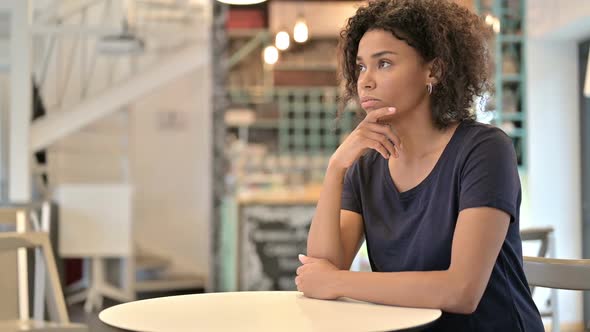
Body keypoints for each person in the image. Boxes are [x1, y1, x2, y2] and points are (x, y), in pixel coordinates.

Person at [295, 0, 544, 331]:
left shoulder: (484, 150)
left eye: (383, 63)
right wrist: (336, 167)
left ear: (434, 71)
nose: (365, 81)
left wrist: (338, 282)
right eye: (360, 67)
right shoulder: (366, 163)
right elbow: (324, 266)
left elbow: (461, 291)